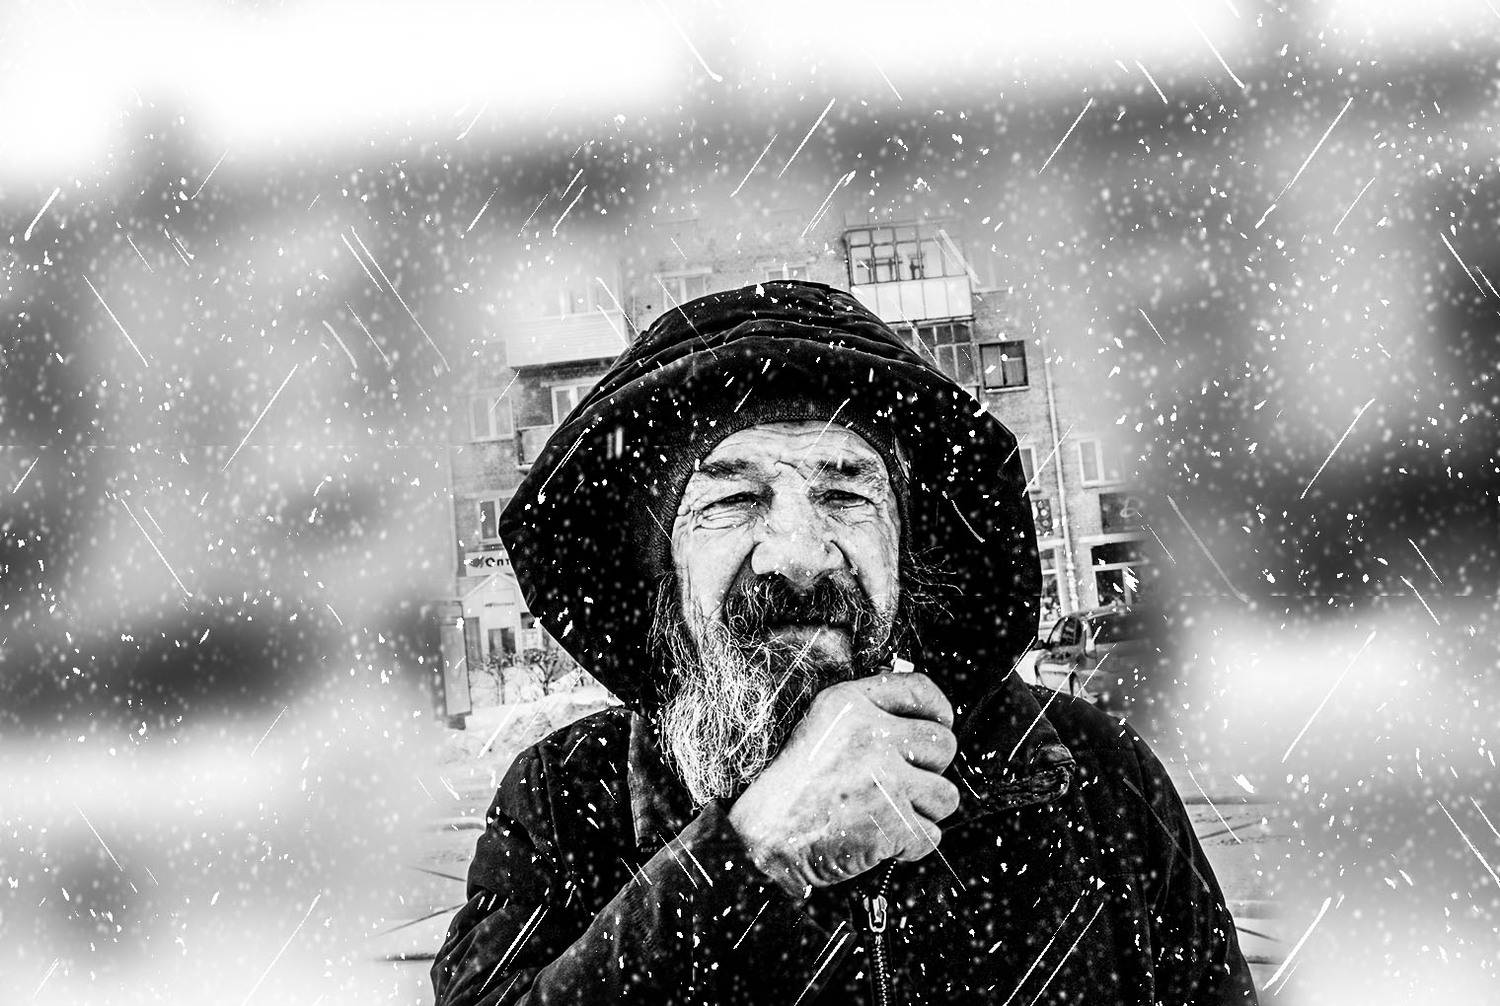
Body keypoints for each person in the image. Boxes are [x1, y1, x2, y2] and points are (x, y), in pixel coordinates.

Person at [431, 281, 1257, 1005]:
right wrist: (747, 856)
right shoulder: (566, 799)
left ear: (908, 549)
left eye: (845, 494)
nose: (798, 555)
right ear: (662, 563)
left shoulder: (1082, 770)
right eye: (734, 500)